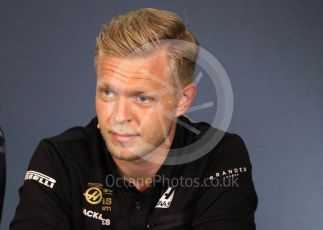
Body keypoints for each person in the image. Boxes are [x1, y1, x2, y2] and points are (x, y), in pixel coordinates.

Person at [10, 8, 258, 229]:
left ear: (183, 100)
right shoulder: (59, 158)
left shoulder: (218, 155)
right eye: (108, 92)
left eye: (142, 98)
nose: (118, 116)